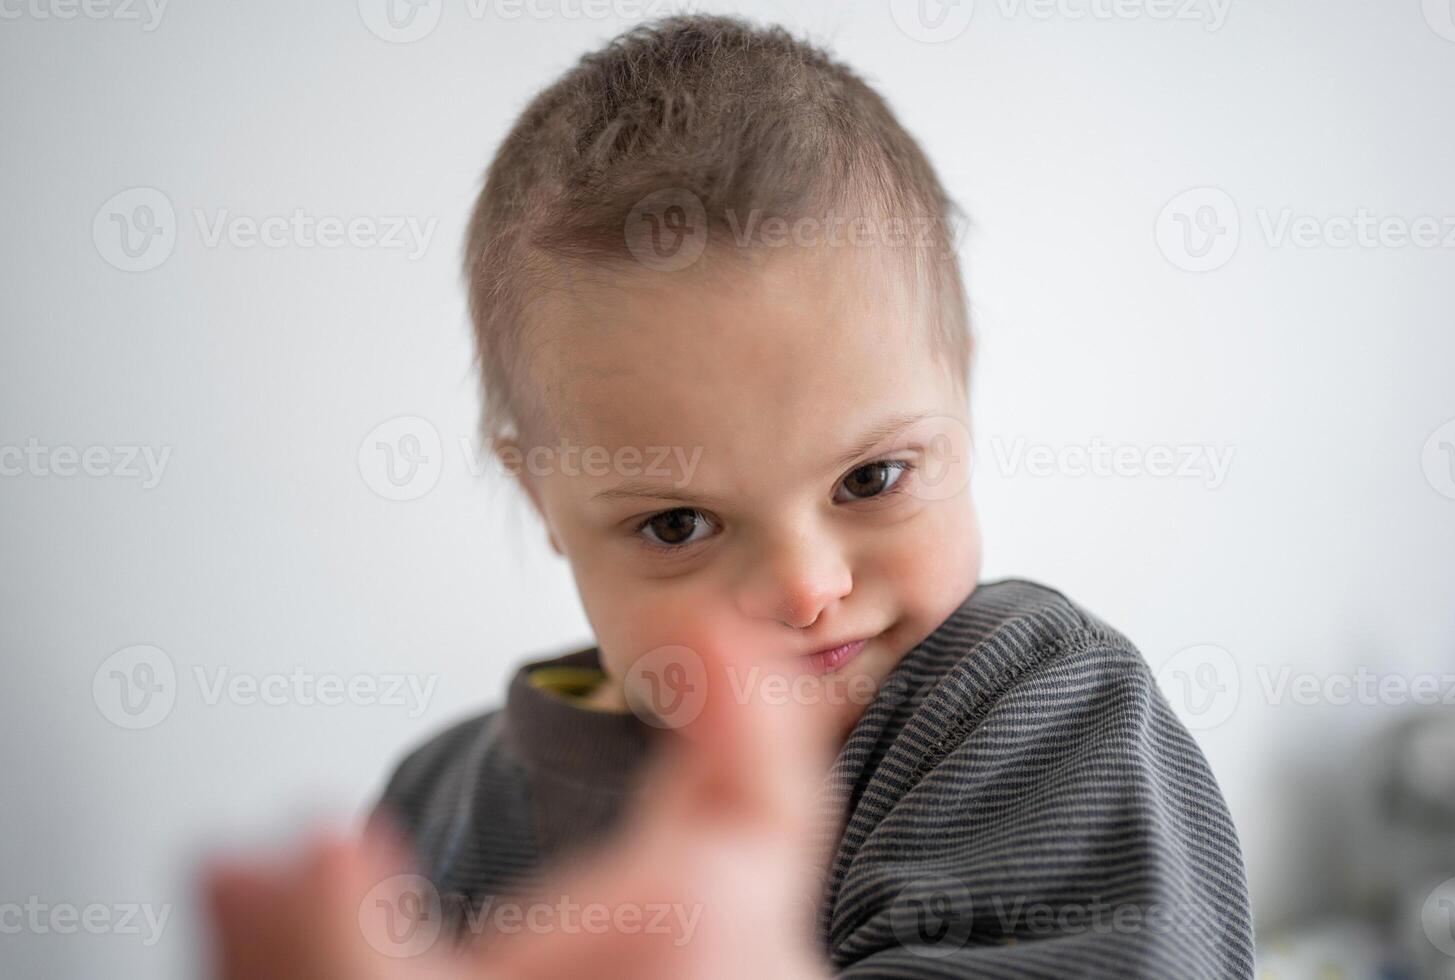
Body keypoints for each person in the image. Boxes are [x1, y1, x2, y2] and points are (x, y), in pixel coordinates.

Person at [204, 14, 1253, 978]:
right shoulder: (435, 808)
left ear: (961, 397)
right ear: (542, 498)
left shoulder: (1030, 712)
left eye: (871, 477)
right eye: (678, 523)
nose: (806, 586)